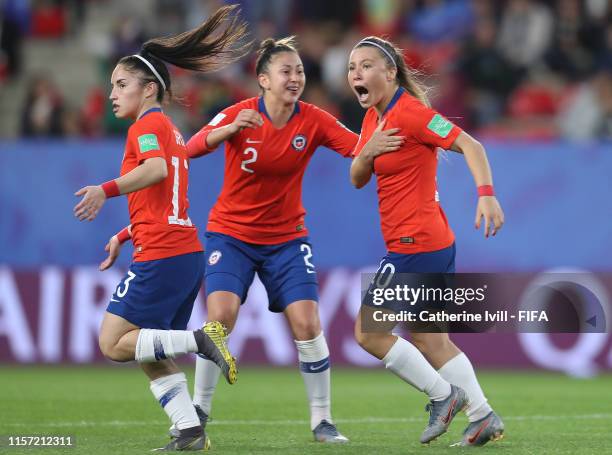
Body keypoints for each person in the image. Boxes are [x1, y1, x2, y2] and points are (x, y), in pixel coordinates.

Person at [72, 6, 249, 451]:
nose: (112, 93)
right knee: (148, 351)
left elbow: (152, 172)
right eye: (111, 84)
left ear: (149, 88)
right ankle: (189, 431)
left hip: (164, 254)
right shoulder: (167, 128)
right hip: (179, 250)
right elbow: (167, 198)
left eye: (121, 84)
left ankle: (201, 340)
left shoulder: (147, 126)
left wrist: (105, 190)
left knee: (114, 343)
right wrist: (124, 234)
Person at [185, 36, 358, 443]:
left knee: (308, 323)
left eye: (299, 70)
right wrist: (227, 129)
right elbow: (191, 147)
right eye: (286, 71)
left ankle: (322, 421)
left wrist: (391, 143)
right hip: (232, 235)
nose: (295, 77)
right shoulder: (238, 114)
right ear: (263, 79)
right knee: (219, 320)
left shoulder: (314, 119)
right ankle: (198, 414)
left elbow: (356, 147)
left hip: (286, 238)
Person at [348, 36, 505, 446]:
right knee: (431, 338)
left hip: (415, 242)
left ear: (390, 72)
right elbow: (358, 177)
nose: (355, 74)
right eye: (351, 68)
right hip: (430, 241)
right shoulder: (372, 120)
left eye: (365, 65)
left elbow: (471, 144)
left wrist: (486, 194)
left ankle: (442, 397)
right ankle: (483, 415)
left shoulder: (413, 114)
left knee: (369, 333)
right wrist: (368, 152)